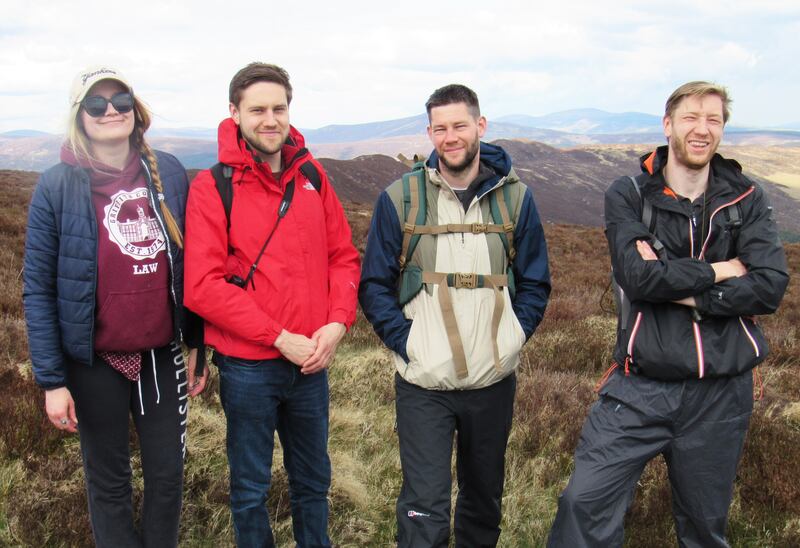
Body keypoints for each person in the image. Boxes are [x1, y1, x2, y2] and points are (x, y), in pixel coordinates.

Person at [547, 81, 790, 547]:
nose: (702, 129)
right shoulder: (630, 194)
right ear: (668, 125)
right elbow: (639, 279)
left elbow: (768, 287)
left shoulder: (747, 199)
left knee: (704, 527)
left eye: (713, 120)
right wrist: (722, 270)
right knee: (583, 504)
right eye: (691, 118)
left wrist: (686, 292)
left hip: (721, 392)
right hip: (641, 385)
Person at [359, 84, 551, 547]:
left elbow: (535, 282)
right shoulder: (399, 199)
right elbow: (373, 285)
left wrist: (509, 339)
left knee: (483, 502)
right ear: (429, 132)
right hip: (424, 384)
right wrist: (410, 344)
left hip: (492, 380)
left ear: (480, 126)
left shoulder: (517, 199)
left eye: (460, 125)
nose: (451, 137)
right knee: (424, 507)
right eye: (440, 128)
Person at [23, 65, 205, 548]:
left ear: (135, 109)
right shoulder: (56, 186)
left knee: (167, 478)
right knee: (109, 482)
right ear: (79, 117)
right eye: (96, 104)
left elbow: (193, 264)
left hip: (161, 355)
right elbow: (38, 289)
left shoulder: (167, 171)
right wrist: (52, 381)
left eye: (120, 101)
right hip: (93, 360)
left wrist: (198, 344)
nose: (110, 111)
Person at [183, 62, 360, 547]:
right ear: (234, 112)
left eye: (279, 108)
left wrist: (337, 325)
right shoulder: (213, 186)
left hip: (311, 366)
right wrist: (279, 338)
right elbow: (201, 285)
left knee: (313, 485)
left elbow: (343, 257)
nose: (270, 119)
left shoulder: (312, 176)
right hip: (249, 368)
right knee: (249, 489)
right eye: (257, 109)